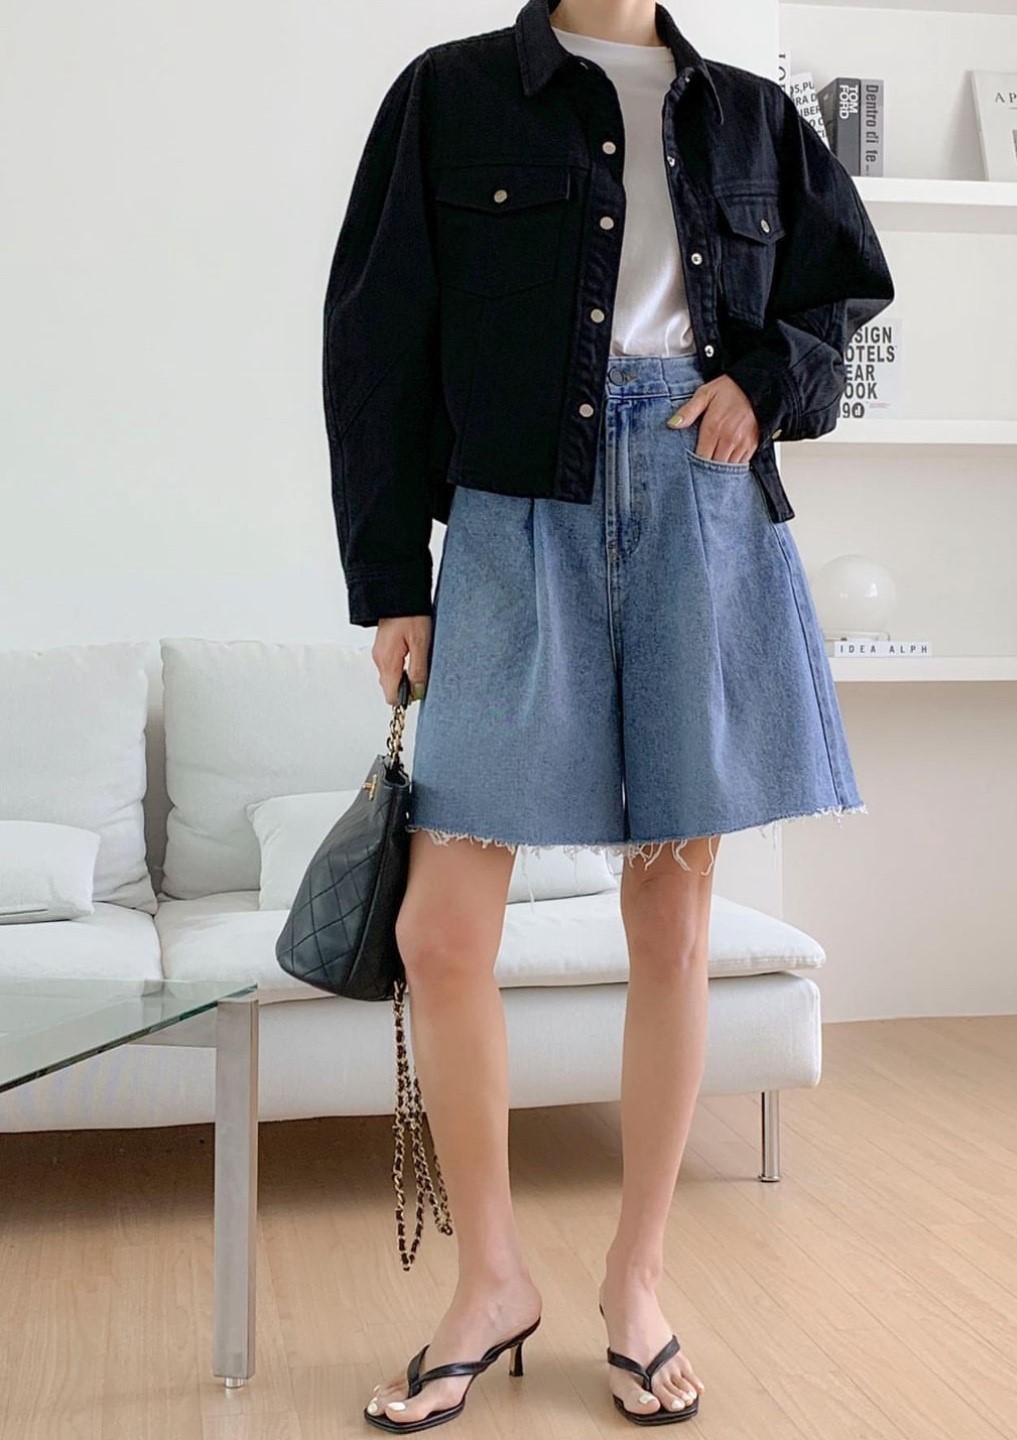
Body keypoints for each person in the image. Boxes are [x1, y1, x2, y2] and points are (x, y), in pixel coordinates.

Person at [322, 0, 895, 1430]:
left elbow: (846, 288)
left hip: (703, 513)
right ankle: (491, 1282)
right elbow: (376, 337)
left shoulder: (752, 114)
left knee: (672, 922)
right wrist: (391, 580)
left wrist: (761, 383)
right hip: (515, 519)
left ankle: (636, 1284)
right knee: (440, 930)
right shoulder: (451, 94)